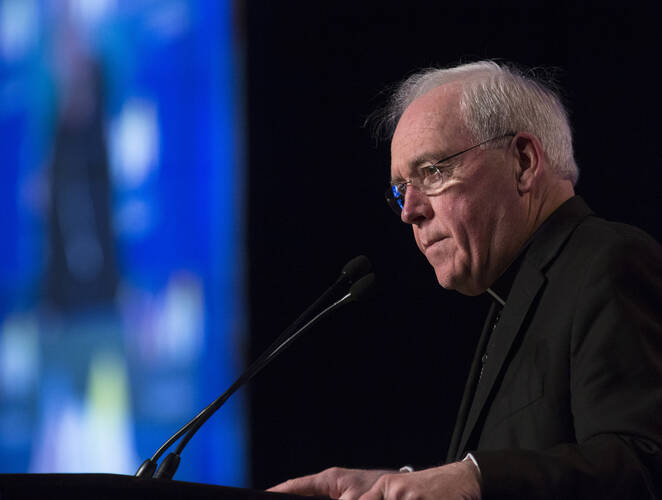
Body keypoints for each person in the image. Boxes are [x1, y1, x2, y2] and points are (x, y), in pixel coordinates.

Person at [268, 61, 662, 499]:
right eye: (401, 188)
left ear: (524, 162)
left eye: (432, 171)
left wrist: (474, 479)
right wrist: (393, 487)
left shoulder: (609, 262)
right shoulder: (511, 295)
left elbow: (643, 463)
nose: (409, 211)